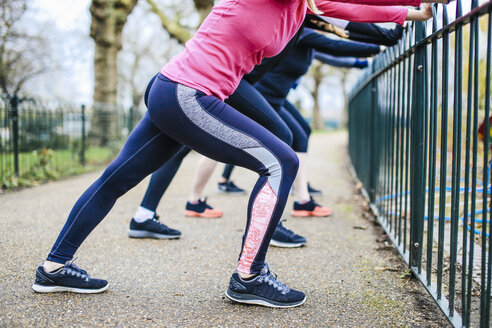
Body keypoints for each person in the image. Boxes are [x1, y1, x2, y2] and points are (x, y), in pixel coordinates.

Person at [33, 0, 437, 309]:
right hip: (190, 93)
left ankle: (53, 268)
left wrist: (409, 12)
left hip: (177, 88)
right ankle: (250, 276)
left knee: (116, 179)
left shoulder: (300, 8)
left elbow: (346, 9)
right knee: (282, 162)